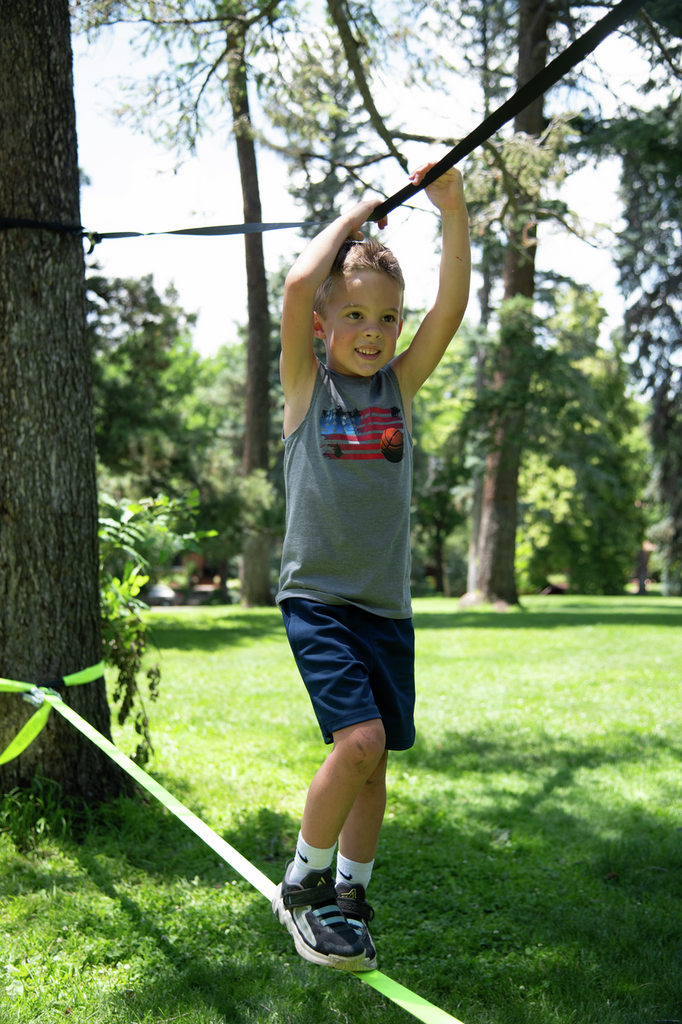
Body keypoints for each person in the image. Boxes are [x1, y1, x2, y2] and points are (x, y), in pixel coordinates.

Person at [272, 162, 470, 972]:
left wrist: (451, 211)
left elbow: (452, 308)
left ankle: (352, 892)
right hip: (318, 599)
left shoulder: (399, 386)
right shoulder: (305, 391)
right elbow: (294, 285)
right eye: (352, 313)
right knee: (356, 743)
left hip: (385, 609)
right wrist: (357, 216)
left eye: (386, 318)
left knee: (376, 759)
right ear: (324, 326)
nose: (372, 330)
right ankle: (305, 886)